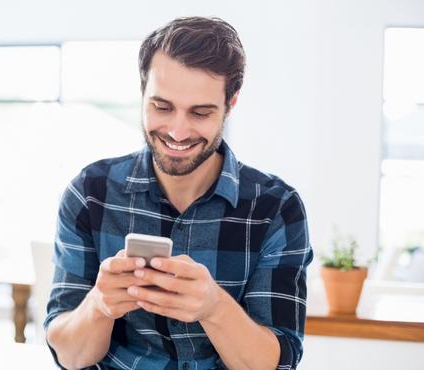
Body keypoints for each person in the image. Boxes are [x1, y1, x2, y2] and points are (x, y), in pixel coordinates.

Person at [45, 16, 313, 370]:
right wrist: (99, 304)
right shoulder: (91, 193)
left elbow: (274, 363)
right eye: (162, 107)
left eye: (200, 113)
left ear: (230, 104)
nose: (178, 131)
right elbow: (70, 355)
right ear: (142, 94)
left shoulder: (276, 208)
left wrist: (214, 308)